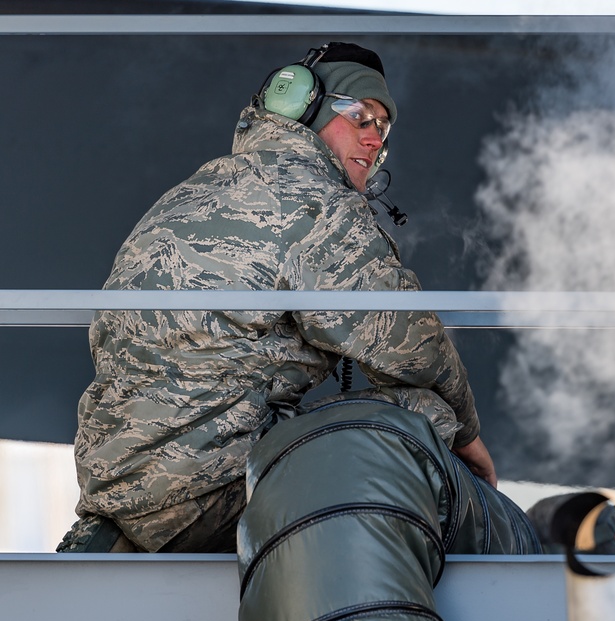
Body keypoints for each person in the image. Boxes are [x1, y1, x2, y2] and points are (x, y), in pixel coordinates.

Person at [56, 42, 503, 555]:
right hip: (211, 487)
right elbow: (411, 345)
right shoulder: (318, 204)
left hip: (114, 484)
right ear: (300, 108)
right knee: (420, 414)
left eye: (383, 126)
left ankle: (117, 534)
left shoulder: (187, 191)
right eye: (358, 115)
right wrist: (469, 438)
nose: (374, 137)